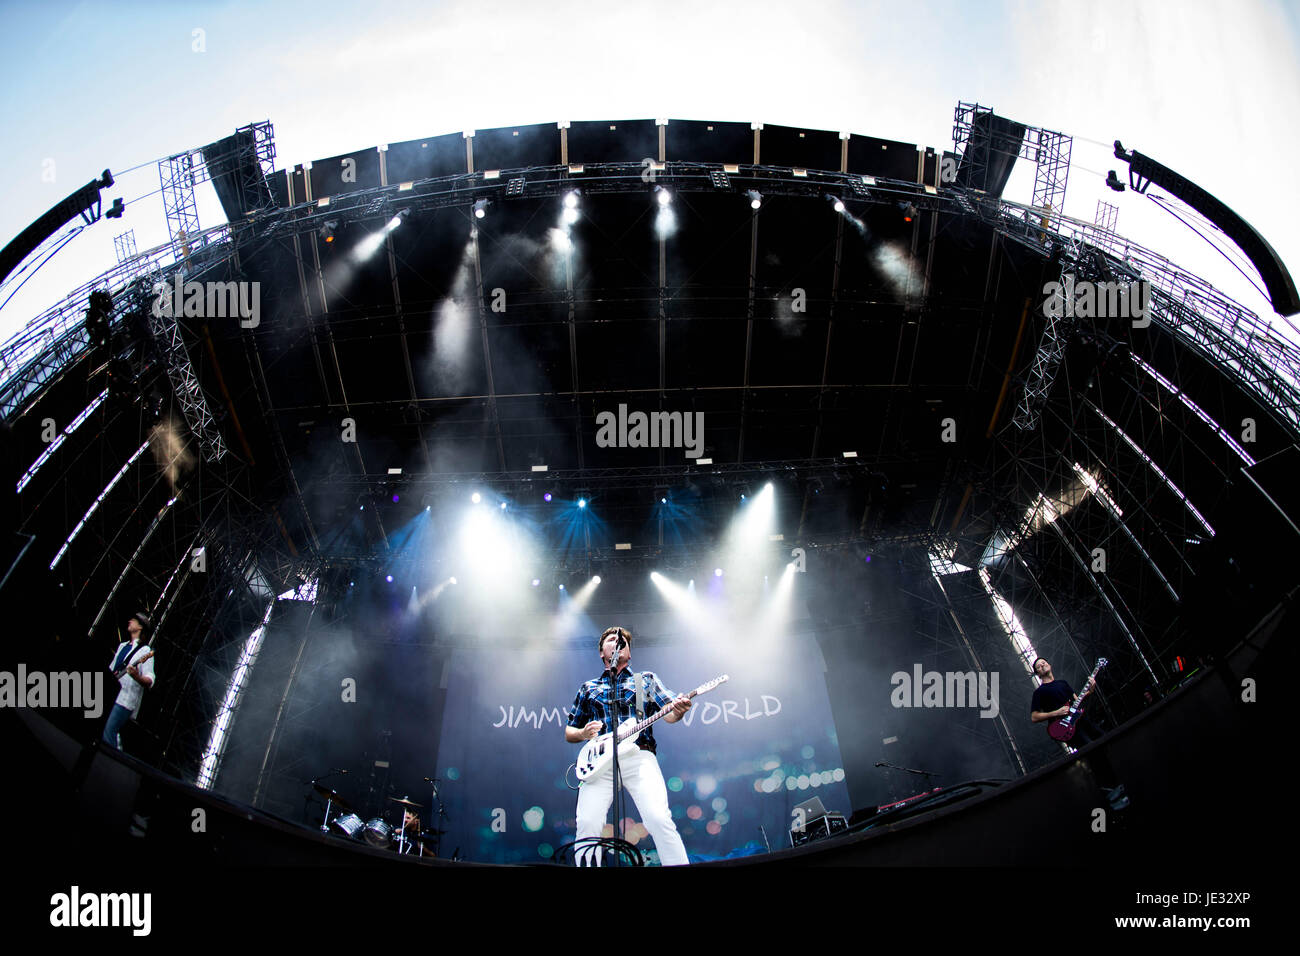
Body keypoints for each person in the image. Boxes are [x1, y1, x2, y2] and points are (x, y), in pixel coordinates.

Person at [565, 626, 693, 866]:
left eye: (623, 641)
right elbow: (569, 731)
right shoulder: (588, 688)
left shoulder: (645, 680)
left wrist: (680, 710)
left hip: (638, 755)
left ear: (629, 652)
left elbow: (669, 714)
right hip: (599, 763)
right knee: (587, 823)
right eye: (612, 640)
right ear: (602, 652)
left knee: (658, 817)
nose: (618, 642)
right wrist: (583, 733)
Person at [1030, 657, 1127, 810]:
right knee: (1092, 751)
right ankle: (1108, 791)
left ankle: (1119, 780)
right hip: (1068, 728)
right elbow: (1034, 717)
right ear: (1038, 673)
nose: (1042, 665)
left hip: (1083, 721)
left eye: (1043, 662)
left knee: (1106, 740)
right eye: (1038, 666)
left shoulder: (1063, 683)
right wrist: (1056, 712)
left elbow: (1077, 701)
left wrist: (1090, 691)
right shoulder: (1040, 692)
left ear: (1050, 665)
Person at [103, 612, 156, 753]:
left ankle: (111, 764)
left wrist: (136, 676)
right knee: (107, 731)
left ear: (140, 627)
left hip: (125, 700)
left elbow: (150, 680)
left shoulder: (145, 651)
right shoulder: (123, 646)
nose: (129, 621)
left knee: (109, 731)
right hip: (112, 695)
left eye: (133, 620)